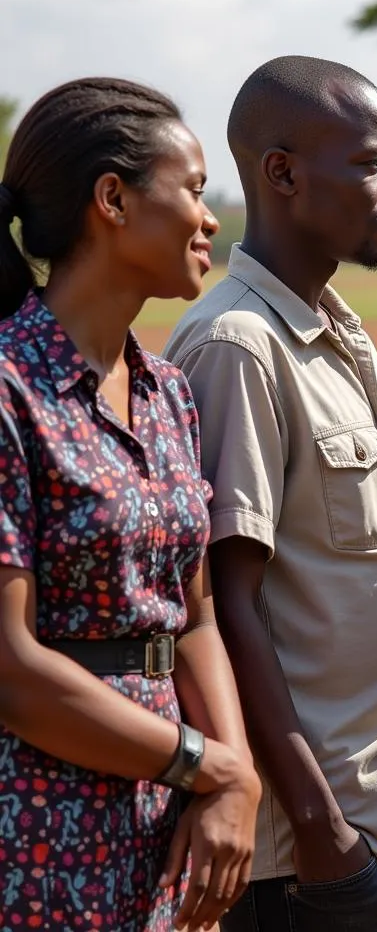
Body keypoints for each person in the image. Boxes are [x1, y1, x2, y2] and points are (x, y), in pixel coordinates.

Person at [164, 55, 377, 932]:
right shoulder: (236, 346)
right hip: (319, 843)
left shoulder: (336, 333)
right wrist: (316, 822)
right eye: (374, 163)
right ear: (283, 174)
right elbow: (224, 606)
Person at [0, 78, 259, 931]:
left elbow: (194, 621)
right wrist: (204, 768)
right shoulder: (10, 390)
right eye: (192, 189)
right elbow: (11, 675)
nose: (210, 218)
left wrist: (235, 774)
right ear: (112, 199)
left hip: (165, 818)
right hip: (40, 822)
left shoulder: (169, 393)